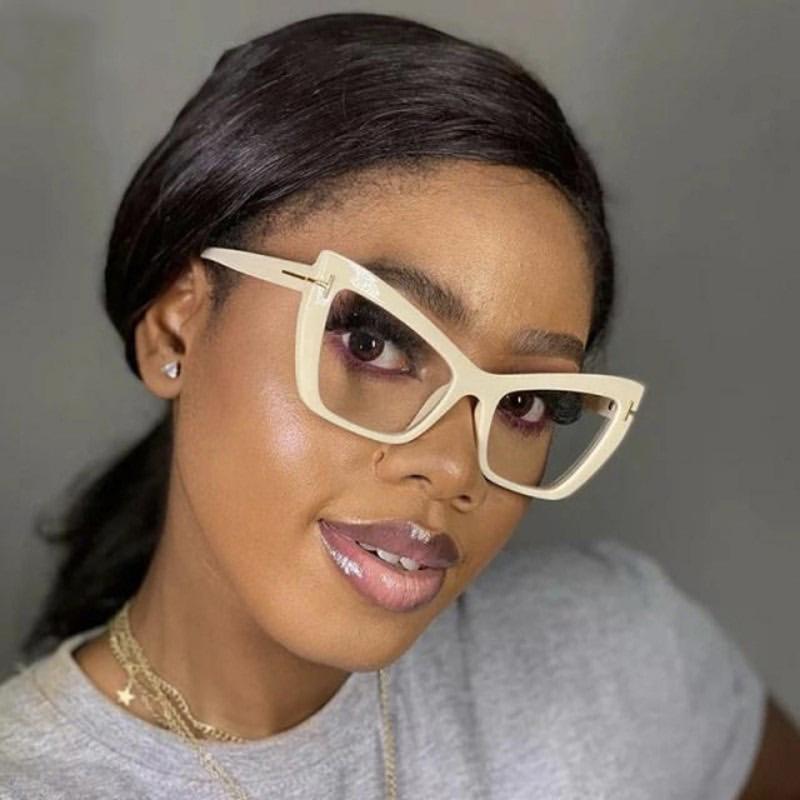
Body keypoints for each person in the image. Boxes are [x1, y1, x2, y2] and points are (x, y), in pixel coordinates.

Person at [0, 11, 797, 800]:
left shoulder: (620, 663)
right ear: (177, 325)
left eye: (525, 399)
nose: (454, 467)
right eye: (374, 341)